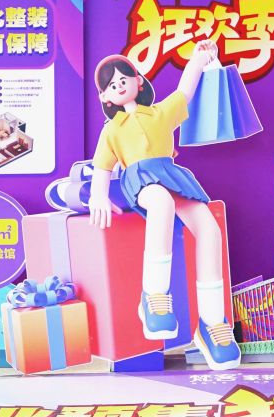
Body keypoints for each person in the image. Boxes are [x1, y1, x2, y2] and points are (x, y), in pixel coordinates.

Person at [88, 40, 241, 370]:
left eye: (124, 79)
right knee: (159, 202)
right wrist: (98, 195)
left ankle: (212, 323)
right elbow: (102, 168)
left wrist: (199, 60)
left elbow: (185, 91)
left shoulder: (159, 113)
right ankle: (154, 296)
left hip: (171, 174)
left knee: (208, 227)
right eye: (112, 85)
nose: (120, 86)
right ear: (105, 97)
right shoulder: (111, 131)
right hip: (140, 178)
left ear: (138, 81)